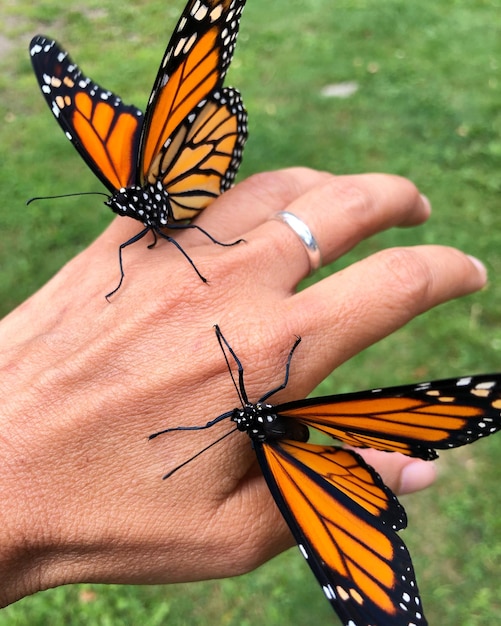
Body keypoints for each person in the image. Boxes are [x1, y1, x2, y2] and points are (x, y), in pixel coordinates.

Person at [0, 167, 486, 608]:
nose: (236, 416)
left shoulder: (248, 415)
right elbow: (242, 408)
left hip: (298, 446)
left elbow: (246, 400)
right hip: (293, 458)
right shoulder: (250, 422)